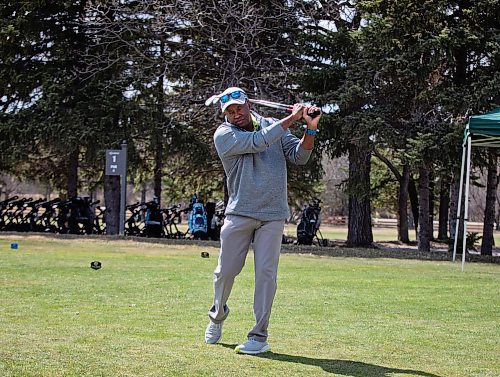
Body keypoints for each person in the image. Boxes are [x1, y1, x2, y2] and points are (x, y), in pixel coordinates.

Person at [205, 86, 321, 354]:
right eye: (229, 112)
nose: (235, 115)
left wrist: (310, 128)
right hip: (239, 212)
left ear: (248, 104)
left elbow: (300, 156)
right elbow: (259, 141)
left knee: (266, 275)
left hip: (272, 215)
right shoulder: (224, 135)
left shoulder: (273, 125)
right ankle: (217, 315)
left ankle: (259, 336)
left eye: (238, 108)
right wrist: (292, 118)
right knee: (226, 271)